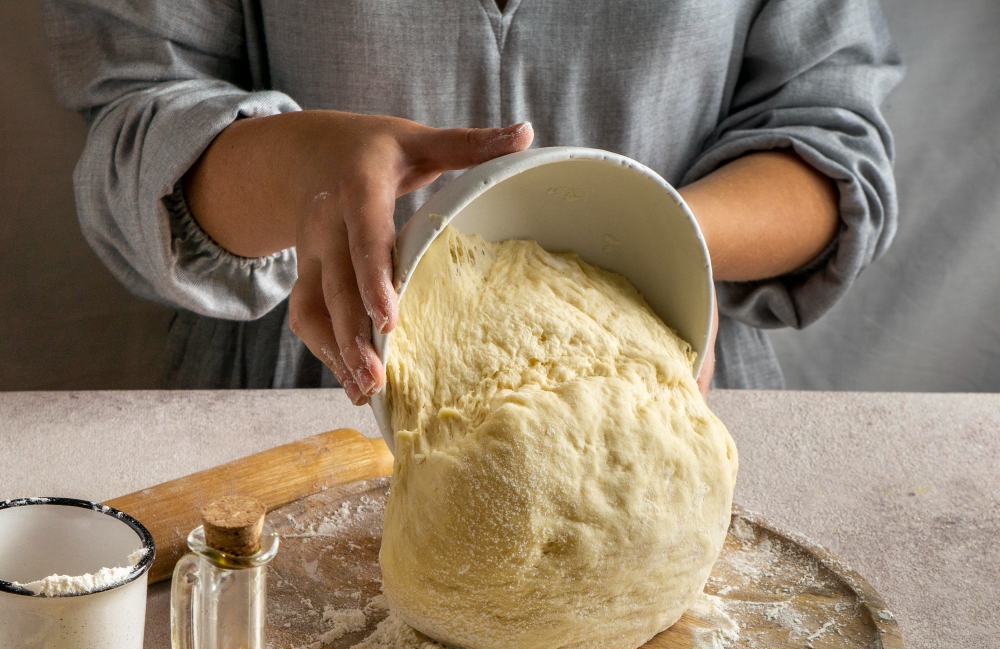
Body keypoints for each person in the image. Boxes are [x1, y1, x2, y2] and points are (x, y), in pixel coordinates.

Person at [44, 0, 901, 400]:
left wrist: (654, 239)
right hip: (307, 391)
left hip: (667, 379)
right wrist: (298, 166)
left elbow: (832, 137)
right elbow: (129, 142)